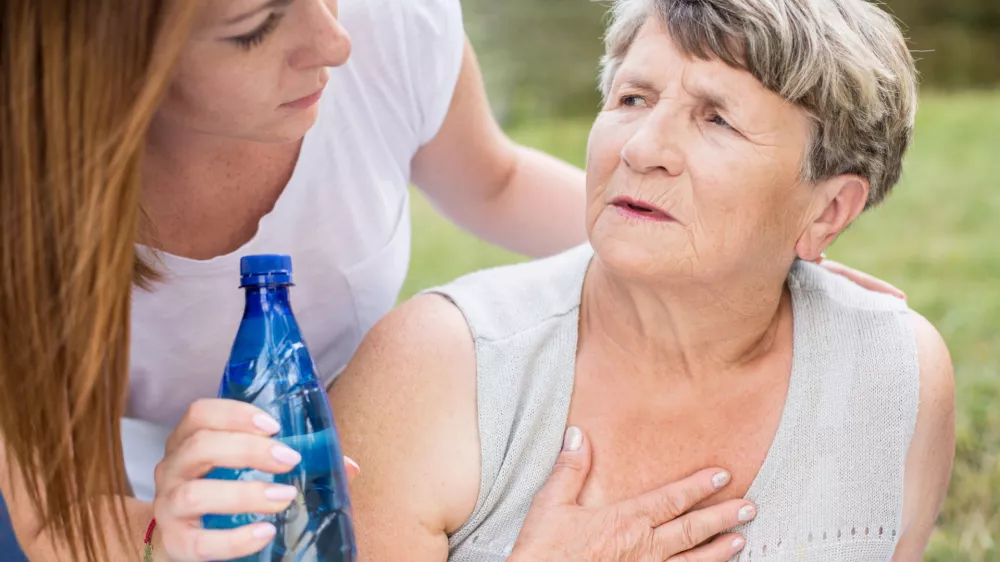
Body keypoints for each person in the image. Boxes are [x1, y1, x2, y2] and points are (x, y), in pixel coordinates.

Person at [0, 0, 904, 560]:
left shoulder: (381, 23)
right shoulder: (22, 194)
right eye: (254, 26)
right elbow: (59, 523)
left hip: (335, 439)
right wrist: (164, 532)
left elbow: (498, 180)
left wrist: (738, 245)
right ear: (120, 71)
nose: (333, 40)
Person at [329, 0, 957, 560]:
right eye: (633, 99)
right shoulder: (434, 369)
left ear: (826, 212)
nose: (641, 148)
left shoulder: (895, 375)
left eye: (716, 119)